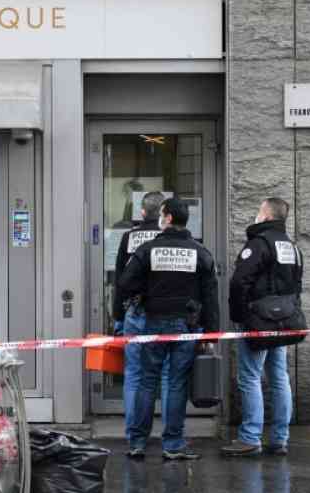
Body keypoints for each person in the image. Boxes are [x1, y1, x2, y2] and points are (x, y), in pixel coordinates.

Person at [118, 197, 219, 460]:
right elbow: (210, 296)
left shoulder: (148, 250)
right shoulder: (200, 252)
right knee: (176, 384)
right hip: (186, 324)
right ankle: (173, 444)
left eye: (163, 214)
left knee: (146, 380)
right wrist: (212, 332)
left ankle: (138, 442)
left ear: (169, 218)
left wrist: (147, 292)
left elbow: (125, 284)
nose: (160, 218)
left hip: (154, 322)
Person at [221, 198, 303, 457]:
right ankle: (280, 439)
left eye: (259, 210)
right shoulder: (292, 247)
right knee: (279, 378)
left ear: (266, 216)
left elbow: (239, 282)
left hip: (258, 320)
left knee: (250, 376)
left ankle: (250, 437)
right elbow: (296, 285)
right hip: (283, 320)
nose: (256, 215)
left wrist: (239, 316)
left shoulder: (258, 244)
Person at [111, 191, 169, 455]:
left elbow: (119, 281)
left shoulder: (129, 237)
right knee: (167, 376)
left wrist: (118, 317)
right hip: (165, 314)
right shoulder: (170, 238)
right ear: (166, 215)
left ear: (142, 212)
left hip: (135, 311)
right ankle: (170, 435)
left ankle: (133, 434)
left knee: (134, 373)